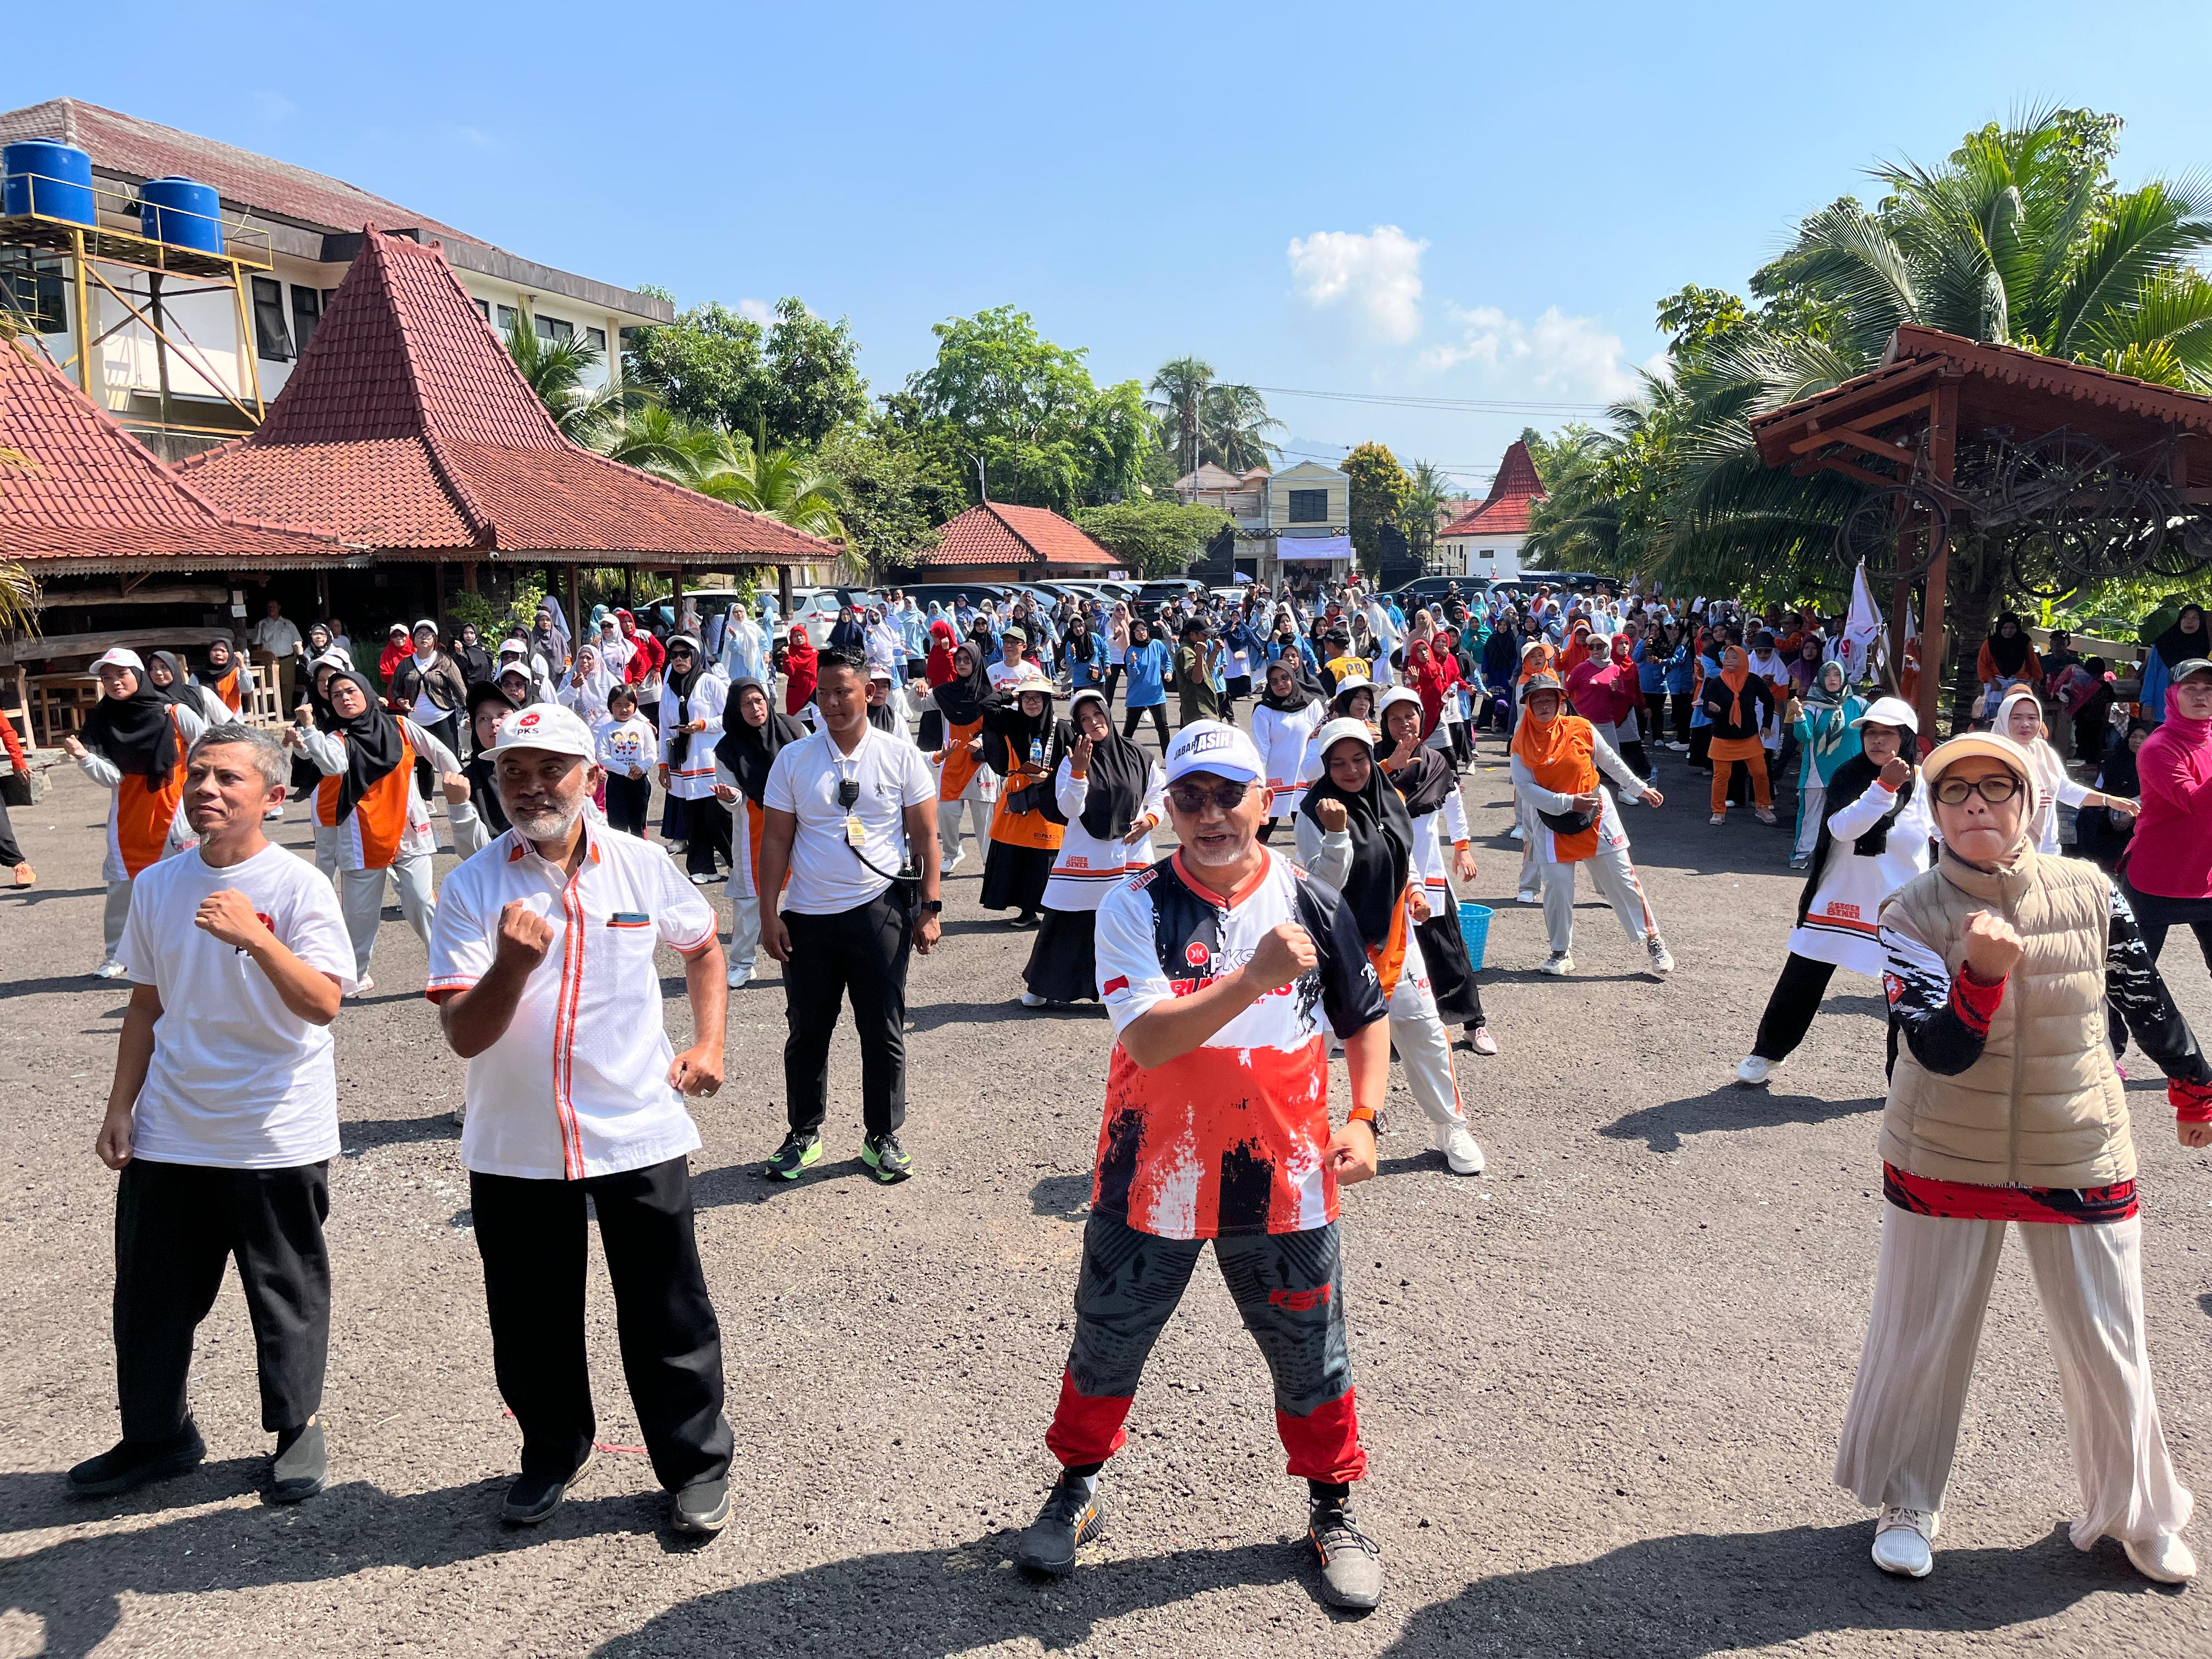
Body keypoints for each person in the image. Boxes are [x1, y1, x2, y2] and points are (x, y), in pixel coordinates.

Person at [1009, 720, 1389, 1610]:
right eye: (1190, 796)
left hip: (1284, 1179)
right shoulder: (1131, 902)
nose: (1211, 814)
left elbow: (1363, 1013)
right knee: (1105, 1340)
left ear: (1267, 798)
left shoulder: (1312, 903)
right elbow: (1147, 1036)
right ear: (1165, 805)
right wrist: (1251, 979)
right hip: (1151, 1176)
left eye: (1229, 793)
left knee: (1309, 1352)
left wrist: (1366, 1117)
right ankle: (1076, 1486)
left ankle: (1331, 1507)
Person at [1834, 730, 2212, 1585]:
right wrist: (1980, 975)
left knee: (2111, 1340)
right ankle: (1909, 1497)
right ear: (1932, 814)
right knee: (1923, 1334)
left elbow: (2143, 994)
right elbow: (1935, 1051)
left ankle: (2137, 1511)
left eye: (1995, 789)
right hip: (1941, 1150)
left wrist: (2196, 1080)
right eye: (1955, 792)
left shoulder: (2092, 891)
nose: (1976, 805)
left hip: (2079, 1144)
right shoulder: (1909, 914)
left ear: (2029, 802)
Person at [426, 702, 734, 1536]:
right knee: (530, 1318)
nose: (531, 789)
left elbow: (703, 945)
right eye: (512, 772)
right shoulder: (471, 888)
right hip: (516, 1138)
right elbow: (464, 1034)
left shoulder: (640, 864)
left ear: (591, 778)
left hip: (635, 1122)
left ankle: (695, 1464)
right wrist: (512, 967)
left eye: (550, 769)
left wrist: (708, 1043)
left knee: (669, 1308)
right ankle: (551, 1451)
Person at [69, 723, 353, 1505]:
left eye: (229, 778)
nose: (207, 790)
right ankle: (158, 1437)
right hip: (173, 1125)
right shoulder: (160, 885)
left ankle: (297, 1428)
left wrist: (253, 938)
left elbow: (324, 1002)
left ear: (273, 796)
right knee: (152, 1296)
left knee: (284, 1291)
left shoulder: (298, 887)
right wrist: (120, 1106)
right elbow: (146, 1004)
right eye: (199, 776)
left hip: (272, 1128)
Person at [755, 650, 943, 1183]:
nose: (833, 703)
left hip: (879, 911)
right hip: (809, 917)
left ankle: (881, 1136)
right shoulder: (794, 760)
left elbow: (925, 836)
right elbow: (775, 841)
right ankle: (803, 1133)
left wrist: (930, 908)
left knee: (881, 1028)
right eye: (824, 693)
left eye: (844, 691)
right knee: (807, 1030)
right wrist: (770, 914)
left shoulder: (899, 756)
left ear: (869, 692)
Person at [1296, 713, 1486, 1174]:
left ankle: (1450, 1127)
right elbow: (1321, 888)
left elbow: (1401, 858)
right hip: (1339, 950)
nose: (1351, 770)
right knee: (1314, 1044)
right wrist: (1339, 834)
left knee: (1424, 1033)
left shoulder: (1390, 797)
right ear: (1325, 765)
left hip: (1397, 942)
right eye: (1338, 763)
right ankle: (1306, 1141)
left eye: (1359, 759)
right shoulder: (1311, 812)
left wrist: (1417, 891)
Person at [1735, 699, 1933, 1087]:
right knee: (1801, 978)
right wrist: (1884, 788)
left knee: (1905, 994)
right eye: (1871, 733)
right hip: (1841, 894)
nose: (1877, 741)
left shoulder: (1928, 783)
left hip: (1899, 904)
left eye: (1887, 733)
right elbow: (1843, 828)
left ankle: (1906, 1078)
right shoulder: (1848, 774)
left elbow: (1946, 833)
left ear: (1906, 739)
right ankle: (1767, 1052)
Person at [289, 669, 467, 996]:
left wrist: (457, 778)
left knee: (420, 901)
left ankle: (448, 966)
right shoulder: (336, 738)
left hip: (407, 831)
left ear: (366, 691)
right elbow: (332, 766)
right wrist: (311, 729)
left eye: (350, 691)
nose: (344, 698)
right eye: (337, 694)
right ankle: (354, 975)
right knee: (359, 915)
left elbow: (439, 751)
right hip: (363, 836)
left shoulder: (400, 726)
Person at [1510, 674, 1672, 978]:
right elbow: (1525, 787)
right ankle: (1561, 952)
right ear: (1529, 705)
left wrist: (1639, 788)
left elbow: (1610, 761)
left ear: (1561, 702)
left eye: (1550, 698)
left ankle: (1654, 939)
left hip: (1596, 815)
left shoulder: (1581, 728)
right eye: (1537, 700)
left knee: (1623, 880)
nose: (1544, 705)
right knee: (1557, 889)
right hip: (1550, 821)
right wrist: (1568, 803)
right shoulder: (1521, 740)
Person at [1022, 688, 1163, 1008]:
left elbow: (1158, 794)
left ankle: (1130, 990)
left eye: (1097, 714)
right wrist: (1078, 772)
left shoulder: (1139, 755)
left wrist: (1151, 821)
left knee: (1129, 924)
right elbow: (1069, 809)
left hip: (1131, 852)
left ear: (1108, 715)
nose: (1093, 722)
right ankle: (1045, 984)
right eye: (1084, 719)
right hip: (1086, 852)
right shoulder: (1071, 759)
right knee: (1069, 920)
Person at [64, 649, 202, 977]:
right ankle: (116, 955)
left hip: (176, 817)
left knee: (185, 888)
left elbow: (207, 749)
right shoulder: (102, 719)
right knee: (122, 891)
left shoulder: (175, 712)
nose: (114, 683)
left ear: (138, 676)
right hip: (128, 820)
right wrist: (85, 756)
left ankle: (192, 954)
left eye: (121, 674)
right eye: (106, 678)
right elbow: (112, 777)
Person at [1376, 688, 1495, 1056]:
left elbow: (1454, 805)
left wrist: (1463, 849)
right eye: (1394, 718)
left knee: (1448, 950)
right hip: (1387, 875)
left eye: (1409, 716)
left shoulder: (1437, 763)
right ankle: (1392, 1031)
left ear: (1422, 719)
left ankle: (1474, 1023)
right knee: (1393, 954)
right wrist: (1389, 768)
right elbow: (1357, 800)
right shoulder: (1371, 764)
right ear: (1384, 724)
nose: (1403, 725)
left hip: (1428, 871)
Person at [2120, 655, 2212, 971]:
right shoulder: (2158, 747)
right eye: (2191, 687)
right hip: (2155, 878)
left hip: (2207, 877)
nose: (2201, 695)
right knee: (2131, 981)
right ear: (2172, 694)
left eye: (2209, 688)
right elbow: (2195, 804)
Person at [710, 678, 804, 990]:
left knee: (804, 892)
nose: (755, 708)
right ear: (736, 710)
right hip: (755, 826)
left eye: (759, 700)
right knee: (751, 897)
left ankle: (806, 955)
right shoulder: (726, 749)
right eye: (746, 704)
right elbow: (735, 797)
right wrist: (729, 797)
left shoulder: (792, 730)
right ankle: (742, 963)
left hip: (798, 822)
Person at [1993, 687, 2136, 856]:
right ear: (2003, 719)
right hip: (2004, 846)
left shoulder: (2044, 752)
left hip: (2046, 845)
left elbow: (2064, 789)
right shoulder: (1992, 754)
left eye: (2032, 718)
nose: (2025, 724)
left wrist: (2107, 800)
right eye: (2016, 718)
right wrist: (2024, 799)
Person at [979, 670, 1068, 928]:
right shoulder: (1012, 720)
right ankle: (1026, 911)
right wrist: (1011, 693)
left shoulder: (1060, 728)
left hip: (1047, 800)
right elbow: (986, 705)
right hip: (1017, 800)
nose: (1031, 703)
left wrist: (1050, 780)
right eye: (1026, 698)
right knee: (1014, 854)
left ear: (1046, 701)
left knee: (1044, 858)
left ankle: (1050, 911)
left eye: (1037, 699)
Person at [657, 635, 729, 884]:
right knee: (694, 818)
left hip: (710, 760)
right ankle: (702, 868)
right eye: (674, 655)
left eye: (684, 654)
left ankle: (737, 866)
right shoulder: (668, 689)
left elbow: (730, 718)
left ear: (695, 656)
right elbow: (665, 730)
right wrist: (664, 765)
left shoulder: (710, 683)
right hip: (684, 763)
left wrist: (702, 724)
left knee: (719, 818)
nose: (679, 659)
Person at [924, 640, 999, 873]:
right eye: (959, 660)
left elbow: (999, 730)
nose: (963, 664)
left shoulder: (991, 695)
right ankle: (952, 853)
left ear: (977, 662)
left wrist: (982, 740)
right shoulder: (946, 693)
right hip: (952, 761)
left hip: (980, 765)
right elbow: (918, 706)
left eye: (968, 660)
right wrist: (917, 687)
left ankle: (990, 862)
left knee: (984, 820)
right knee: (946, 814)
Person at [1787, 661, 1866, 868]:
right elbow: (1804, 737)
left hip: (1851, 773)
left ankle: (1844, 859)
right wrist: (1798, 716)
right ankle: (1802, 854)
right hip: (1817, 772)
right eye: (1828, 675)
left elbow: (1877, 726)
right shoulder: (1812, 707)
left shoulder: (1859, 704)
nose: (1833, 679)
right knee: (1811, 817)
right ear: (1821, 679)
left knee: (1850, 815)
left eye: (1837, 675)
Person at [1702, 644, 1779, 826]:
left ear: (1744, 660)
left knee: (1760, 772)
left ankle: (1763, 807)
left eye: (1734, 658)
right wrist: (1715, 711)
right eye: (1727, 658)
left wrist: (1767, 725)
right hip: (1723, 738)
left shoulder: (1752, 681)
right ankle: (1718, 811)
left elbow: (1769, 701)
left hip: (1749, 737)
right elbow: (1706, 708)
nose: (1729, 661)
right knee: (1721, 776)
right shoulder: (1716, 683)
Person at [1251, 658, 1324, 844]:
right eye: (1274, 681)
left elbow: (1319, 742)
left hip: (1305, 778)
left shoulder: (1312, 706)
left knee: (1309, 836)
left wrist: (1318, 774)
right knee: (1260, 835)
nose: (1280, 684)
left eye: (1285, 678)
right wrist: (1258, 782)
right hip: (1275, 780)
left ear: (1293, 677)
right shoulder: (1263, 711)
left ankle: (1313, 873)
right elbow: (1261, 749)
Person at [452, 685, 518, 860]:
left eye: (502, 715)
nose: (494, 723)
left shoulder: (543, 767)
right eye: (483, 719)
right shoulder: (466, 782)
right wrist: (458, 806)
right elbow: (471, 853)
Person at [386, 620, 468, 760]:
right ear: (413, 639)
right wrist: (401, 701)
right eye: (419, 634)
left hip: (443, 718)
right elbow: (395, 691)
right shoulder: (405, 664)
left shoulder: (445, 661)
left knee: (451, 762)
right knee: (423, 766)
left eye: (428, 635)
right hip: (417, 722)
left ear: (434, 638)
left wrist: (471, 712)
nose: (424, 638)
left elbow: (461, 691)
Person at [594, 682, 658, 840]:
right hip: (617, 781)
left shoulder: (643, 727)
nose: (623, 709)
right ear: (611, 707)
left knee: (639, 824)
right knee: (617, 825)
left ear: (635, 706)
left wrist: (642, 768)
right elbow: (603, 756)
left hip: (640, 781)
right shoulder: (606, 729)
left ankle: (641, 855)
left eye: (628, 705)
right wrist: (625, 771)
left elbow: (652, 753)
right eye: (618, 705)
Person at [2141, 604, 2204, 726]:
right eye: (2185, 617)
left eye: (2195, 618)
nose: (2189, 621)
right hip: (2163, 709)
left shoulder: (2205, 647)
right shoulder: (2163, 644)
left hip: (2194, 710)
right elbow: (2151, 675)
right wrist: (2148, 703)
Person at [1119, 618, 1173, 751]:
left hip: (1156, 694)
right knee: (1129, 731)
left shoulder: (1157, 644)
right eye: (1137, 631)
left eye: (1143, 629)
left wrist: (1169, 672)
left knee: (1163, 727)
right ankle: (1121, 756)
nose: (1141, 633)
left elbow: (1167, 660)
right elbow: (1132, 676)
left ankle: (1168, 757)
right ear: (1133, 633)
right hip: (1137, 695)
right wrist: (1132, 663)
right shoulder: (1131, 651)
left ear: (1148, 631)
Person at [1975, 612, 2041, 709]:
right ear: (2000, 628)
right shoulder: (1991, 643)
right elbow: (1983, 665)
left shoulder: (2025, 641)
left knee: (2018, 711)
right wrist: (1992, 680)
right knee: (1995, 715)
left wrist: (2035, 679)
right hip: (1997, 685)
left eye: (2012, 628)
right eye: (2005, 628)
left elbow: (2032, 662)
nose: (2008, 631)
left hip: (2021, 684)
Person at [250, 600, 304, 710]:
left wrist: (296, 658)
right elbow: (258, 645)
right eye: (269, 606)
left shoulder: (289, 624)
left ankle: (286, 712)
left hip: (287, 660)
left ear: (279, 607)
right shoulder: (262, 624)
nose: (271, 608)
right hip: (268, 661)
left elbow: (297, 643)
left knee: (287, 686)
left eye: (273, 606)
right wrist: (262, 659)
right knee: (267, 686)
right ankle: (266, 711)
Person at [558, 641, 619, 728]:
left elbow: (624, 702)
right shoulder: (569, 678)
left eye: (589, 658)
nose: (584, 661)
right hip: (576, 731)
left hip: (603, 732)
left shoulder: (609, 680)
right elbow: (558, 703)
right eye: (581, 657)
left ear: (596, 661)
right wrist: (573, 688)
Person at [196, 637, 252, 716]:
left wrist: (242, 666)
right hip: (207, 723)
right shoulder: (198, 676)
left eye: (223, 651)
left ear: (230, 654)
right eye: (215, 650)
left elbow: (247, 689)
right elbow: (192, 698)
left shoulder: (236, 673)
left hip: (232, 722)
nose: (218, 653)